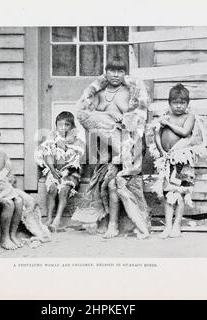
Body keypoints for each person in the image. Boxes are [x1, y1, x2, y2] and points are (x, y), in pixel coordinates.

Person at [72, 57, 151, 239]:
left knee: (117, 184)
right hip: (104, 149)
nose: (115, 74)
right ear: (105, 72)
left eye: (120, 71)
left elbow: (137, 120)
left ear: (125, 74)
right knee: (107, 183)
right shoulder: (98, 93)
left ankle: (117, 224)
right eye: (112, 70)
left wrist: (122, 119)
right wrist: (107, 115)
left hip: (127, 148)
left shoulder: (130, 92)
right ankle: (109, 220)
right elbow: (86, 116)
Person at [147, 84, 207, 239]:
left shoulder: (188, 117)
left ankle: (177, 225)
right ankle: (168, 226)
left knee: (180, 193)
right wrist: (162, 151)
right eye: (175, 103)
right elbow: (156, 134)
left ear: (187, 104)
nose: (178, 106)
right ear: (169, 103)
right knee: (167, 193)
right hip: (167, 161)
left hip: (182, 161)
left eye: (182, 103)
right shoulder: (165, 116)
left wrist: (169, 124)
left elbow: (185, 133)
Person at [36, 112, 85, 232]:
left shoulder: (76, 140)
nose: (63, 128)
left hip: (70, 172)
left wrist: (65, 172)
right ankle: (48, 218)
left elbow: (76, 159)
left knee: (63, 190)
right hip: (54, 171)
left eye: (67, 125)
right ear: (56, 126)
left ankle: (57, 219)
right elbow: (47, 155)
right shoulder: (52, 138)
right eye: (60, 125)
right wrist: (52, 170)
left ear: (72, 126)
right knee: (52, 188)